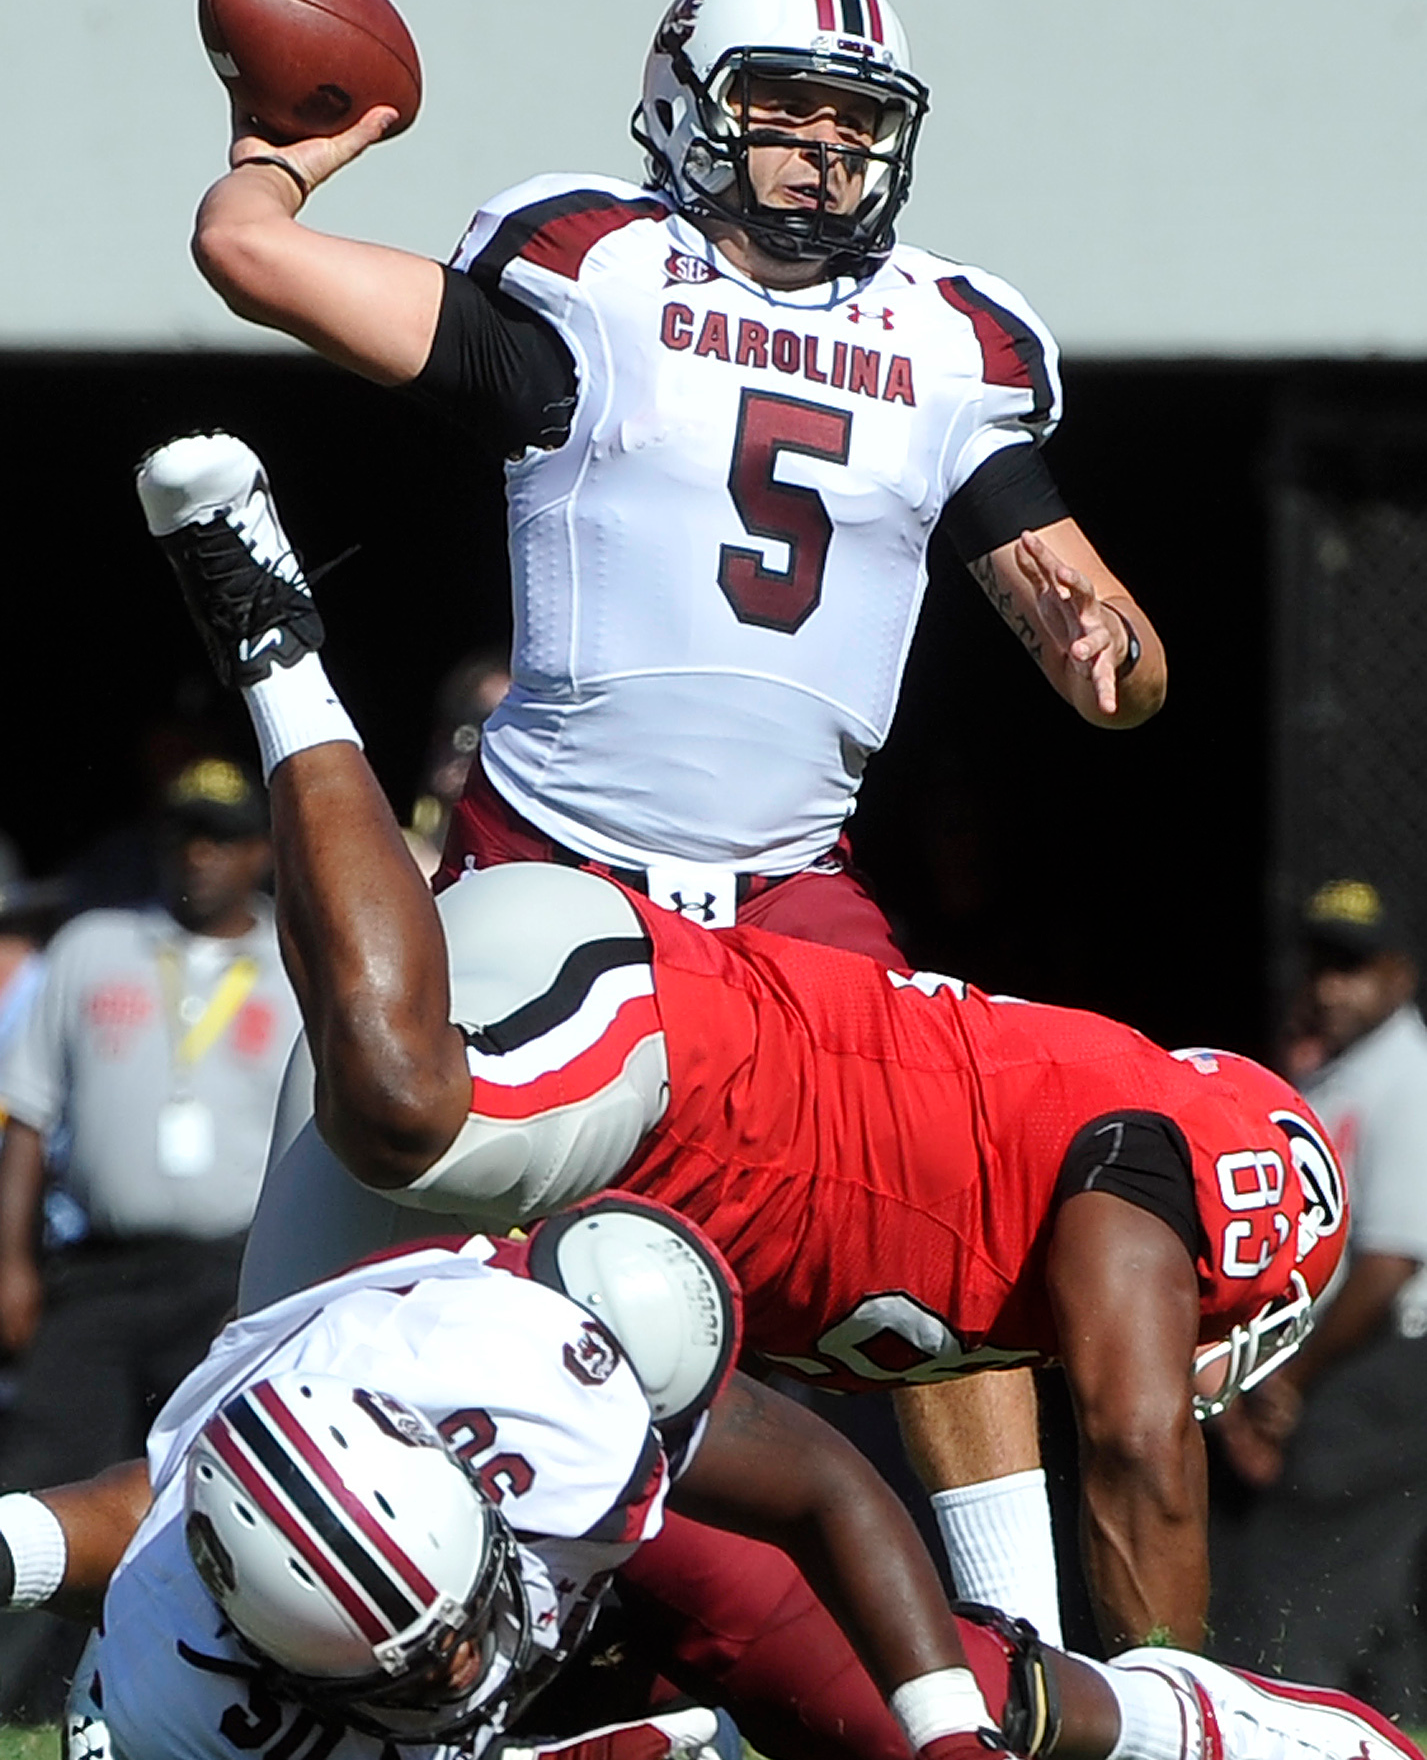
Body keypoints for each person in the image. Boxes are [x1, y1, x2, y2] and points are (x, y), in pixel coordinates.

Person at [185, 0, 1171, 1641]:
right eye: (780, 103)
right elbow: (247, 255)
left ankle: (1021, 1647)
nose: (821, 145)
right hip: (554, 863)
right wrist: (292, 144)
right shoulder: (595, 271)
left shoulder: (950, 342)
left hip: (792, 885)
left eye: (854, 115)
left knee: (954, 1214)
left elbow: (1114, 654)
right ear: (684, 106)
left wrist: (1102, 645)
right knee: (376, 1241)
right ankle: (203, 1581)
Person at [139, 445, 1338, 1668]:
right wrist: (1167, 1707)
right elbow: (1136, 1442)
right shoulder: (1139, 1163)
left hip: (676, 1044)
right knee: (400, 1114)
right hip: (638, 976)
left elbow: (856, 1450)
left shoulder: (1007, 1226)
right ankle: (274, 643)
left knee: (263, 1438)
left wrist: (992, 1683)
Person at [12, 1213, 1423, 1760]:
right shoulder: (170, 1697)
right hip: (404, 1654)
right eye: (416, 1661)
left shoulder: (519, 1383)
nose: (462, 1664)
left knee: (912, 1718)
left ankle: (1204, 1721)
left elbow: (814, 1482)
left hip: (587, 1548)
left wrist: (942, 1737)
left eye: (450, 1629)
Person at [0, 758, 301, 1717]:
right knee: (44, 1468)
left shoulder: (294, 962)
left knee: (209, 1482)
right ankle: (15, 1695)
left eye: (220, 836)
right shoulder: (94, 945)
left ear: (260, 848)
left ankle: (180, 1691)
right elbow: (26, 1119)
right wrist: (9, 1260)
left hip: (232, 1269)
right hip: (99, 1265)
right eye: (183, 835)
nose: (198, 855)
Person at [1214, 879, 1427, 1718]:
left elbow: (1387, 1260)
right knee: (1381, 1577)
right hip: (1344, 1359)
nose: (1328, 985)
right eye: (1318, 963)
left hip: (1388, 1359)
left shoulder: (1405, 1075)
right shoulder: (1334, 1071)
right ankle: (1388, 1719)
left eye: (1352, 966)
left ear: (1397, 975)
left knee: (1297, 1561)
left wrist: (1288, 1382)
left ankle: (1265, 1707)